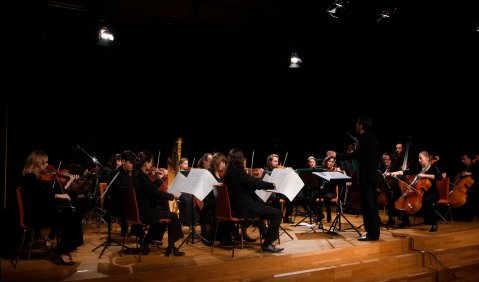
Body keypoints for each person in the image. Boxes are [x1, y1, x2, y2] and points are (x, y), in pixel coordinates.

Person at [20, 150, 84, 265]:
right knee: (69, 215)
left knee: (73, 212)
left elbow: (48, 195)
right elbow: (42, 198)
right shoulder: (30, 179)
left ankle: (66, 247)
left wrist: (65, 188)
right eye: (44, 163)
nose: (47, 166)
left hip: (41, 211)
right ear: (37, 163)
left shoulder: (36, 178)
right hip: (35, 216)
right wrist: (59, 195)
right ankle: (63, 250)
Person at [328, 116, 381, 241]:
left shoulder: (364, 138)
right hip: (373, 176)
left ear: (361, 126)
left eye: (357, 124)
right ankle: (375, 232)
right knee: (372, 205)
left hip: (366, 177)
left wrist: (338, 156)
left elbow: (357, 154)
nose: (356, 126)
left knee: (368, 206)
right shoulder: (374, 139)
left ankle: (371, 234)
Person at [223, 148, 284, 252]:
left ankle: (266, 237)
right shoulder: (238, 172)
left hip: (235, 207)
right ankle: (268, 244)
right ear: (239, 159)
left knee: (260, 211)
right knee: (277, 213)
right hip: (244, 208)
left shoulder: (229, 172)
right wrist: (271, 185)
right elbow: (254, 183)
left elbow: (246, 185)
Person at [133, 151, 185, 256]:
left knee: (162, 215)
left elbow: (150, 188)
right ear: (146, 163)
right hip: (145, 213)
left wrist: (159, 180)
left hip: (139, 210)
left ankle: (146, 243)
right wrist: (172, 196)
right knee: (173, 216)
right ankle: (171, 247)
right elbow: (155, 192)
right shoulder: (141, 177)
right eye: (151, 162)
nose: (152, 165)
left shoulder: (137, 174)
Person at [389, 151, 442, 232]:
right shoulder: (418, 168)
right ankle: (405, 221)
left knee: (426, 200)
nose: (419, 160)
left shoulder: (433, 168)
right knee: (406, 199)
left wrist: (425, 175)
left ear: (427, 159)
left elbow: (439, 177)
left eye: (421, 158)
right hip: (419, 192)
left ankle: (434, 223)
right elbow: (406, 171)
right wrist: (395, 173)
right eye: (418, 158)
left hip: (432, 193)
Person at [108, 150, 136, 237]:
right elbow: (119, 191)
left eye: (133, 163)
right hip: (118, 204)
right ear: (123, 161)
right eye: (130, 163)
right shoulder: (116, 172)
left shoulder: (128, 173)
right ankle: (135, 232)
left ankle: (136, 232)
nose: (132, 165)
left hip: (126, 202)